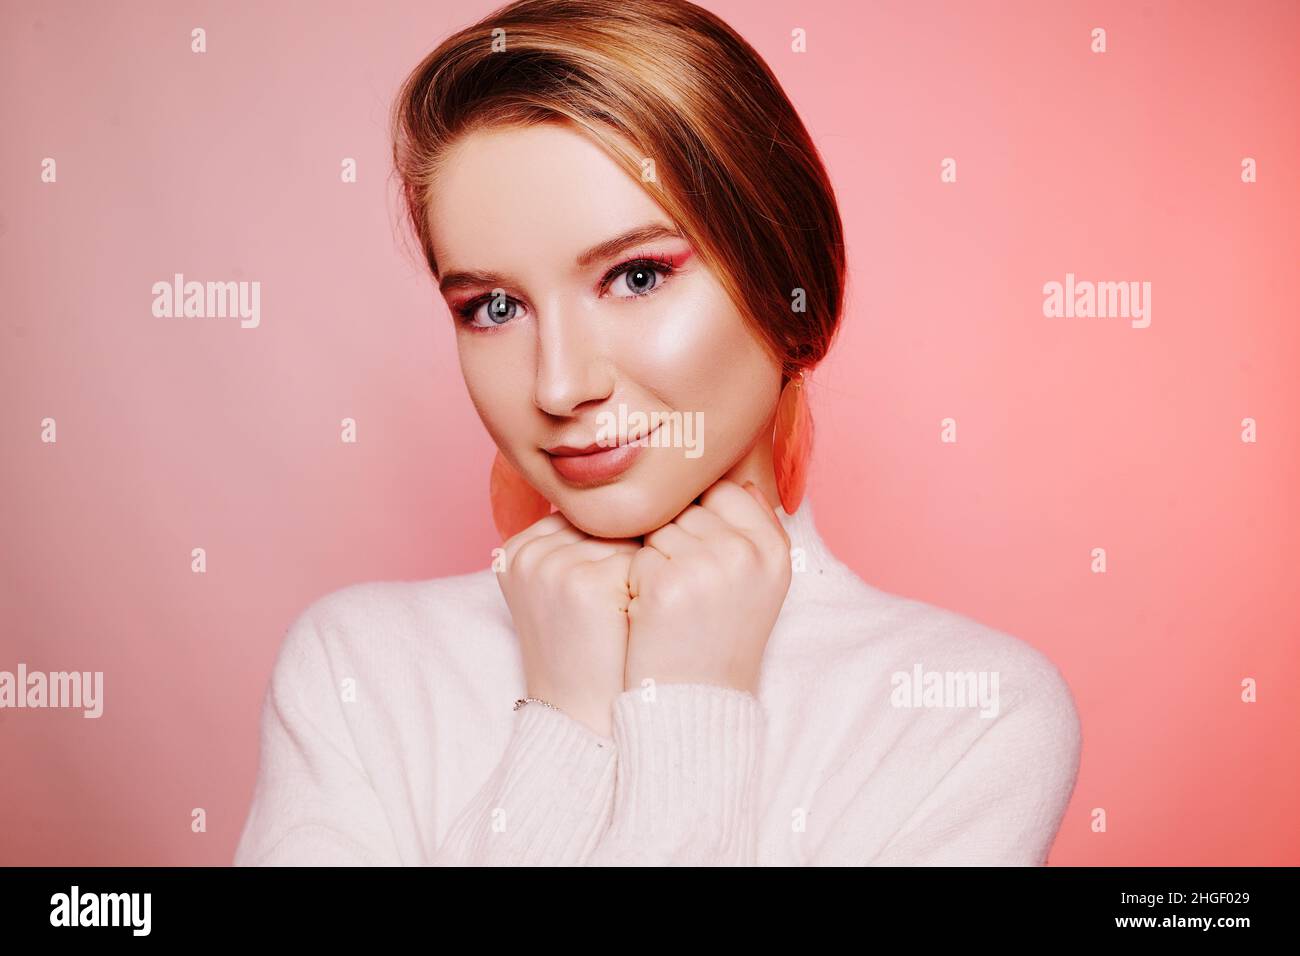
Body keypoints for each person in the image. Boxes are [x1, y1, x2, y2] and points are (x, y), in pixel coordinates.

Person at [233, 0, 1081, 866]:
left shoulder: (969, 712)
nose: (559, 384)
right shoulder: (359, 671)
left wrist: (688, 702)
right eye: (494, 307)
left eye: (636, 276)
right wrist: (566, 719)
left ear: (784, 277)